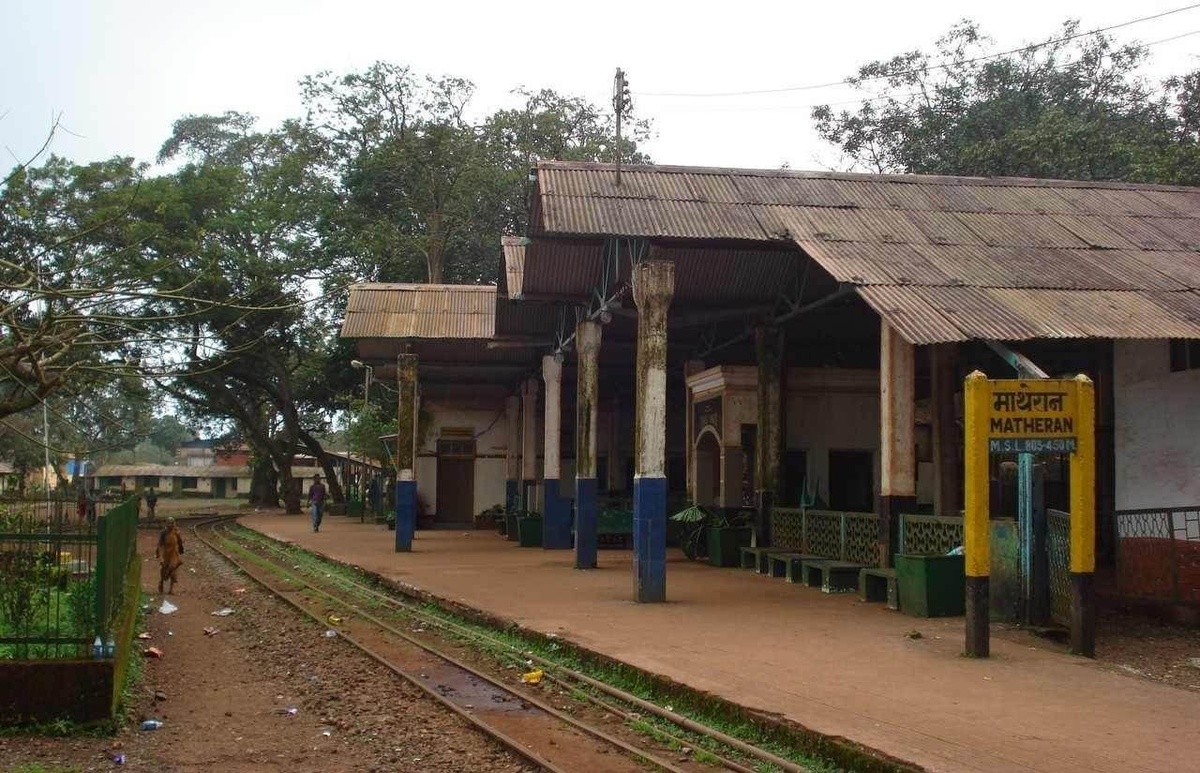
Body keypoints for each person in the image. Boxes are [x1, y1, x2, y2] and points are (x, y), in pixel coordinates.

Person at [155, 518, 184, 594]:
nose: (170, 525)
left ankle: (171, 589)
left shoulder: (176, 532)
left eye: (172, 523)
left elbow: (180, 542)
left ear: (174, 524)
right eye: (169, 523)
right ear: (166, 524)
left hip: (174, 553)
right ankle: (161, 582)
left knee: (173, 569)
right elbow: (160, 545)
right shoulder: (164, 533)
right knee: (164, 570)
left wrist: (181, 548)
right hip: (166, 554)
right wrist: (160, 557)